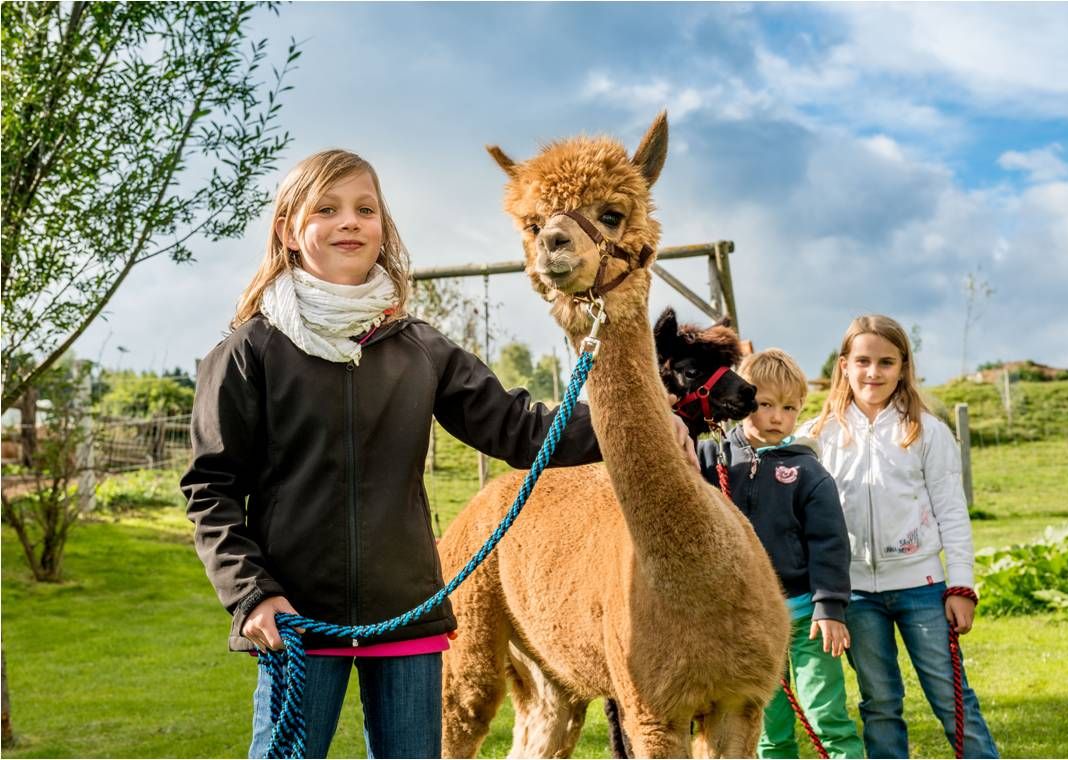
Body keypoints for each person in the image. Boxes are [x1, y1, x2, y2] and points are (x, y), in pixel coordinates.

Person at [181, 149, 696, 759]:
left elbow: (516, 427)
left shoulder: (417, 348)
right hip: (293, 619)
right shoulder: (250, 352)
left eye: (364, 209)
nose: (350, 221)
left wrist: (640, 424)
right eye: (327, 209)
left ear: (383, 228)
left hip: (406, 614)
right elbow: (209, 488)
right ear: (290, 232)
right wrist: (250, 595)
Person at [803, 315, 999, 759]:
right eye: (863, 361)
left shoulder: (927, 432)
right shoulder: (818, 436)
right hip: (855, 595)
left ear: (903, 366)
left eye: (886, 362)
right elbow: (767, 452)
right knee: (880, 705)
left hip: (922, 589)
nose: (874, 372)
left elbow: (952, 512)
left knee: (953, 701)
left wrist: (961, 585)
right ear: (844, 365)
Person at [697, 349, 863, 759]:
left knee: (826, 715)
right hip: (746, 624)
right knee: (767, 726)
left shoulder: (808, 473)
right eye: (766, 404)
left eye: (789, 408)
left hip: (805, 616)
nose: (777, 417)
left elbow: (830, 543)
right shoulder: (710, 459)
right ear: (742, 400)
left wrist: (830, 607)